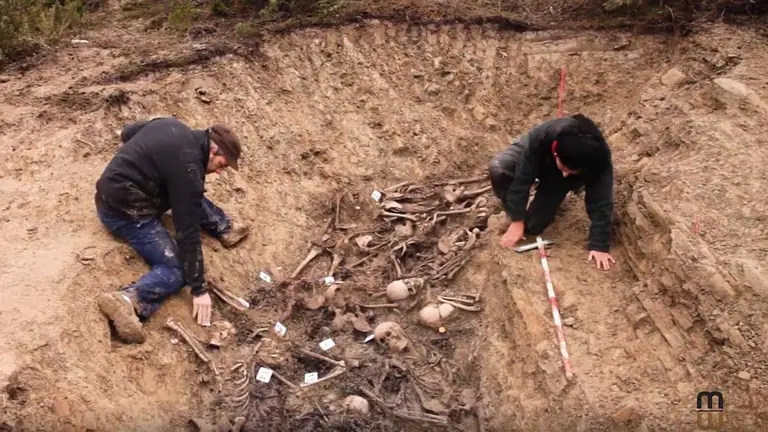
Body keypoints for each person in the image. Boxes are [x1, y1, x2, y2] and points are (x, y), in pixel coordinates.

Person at [94, 117, 250, 344]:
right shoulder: (188, 171)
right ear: (213, 149)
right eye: (221, 165)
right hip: (125, 212)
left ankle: (224, 227)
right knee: (177, 268)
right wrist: (198, 288)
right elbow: (187, 234)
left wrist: (141, 165)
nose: (218, 173)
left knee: (188, 191)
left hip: (110, 190)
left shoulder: (172, 126)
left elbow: (128, 132)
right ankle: (129, 300)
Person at [488, 113, 616, 270]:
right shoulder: (542, 137)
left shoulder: (599, 158)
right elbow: (522, 181)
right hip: (536, 153)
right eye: (564, 169)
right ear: (556, 152)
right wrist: (517, 220)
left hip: (557, 178)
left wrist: (599, 245)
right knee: (499, 168)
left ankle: (556, 196)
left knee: (533, 227)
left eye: (571, 172)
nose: (565, 174)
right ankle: (514, 213)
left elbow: (601, 199)